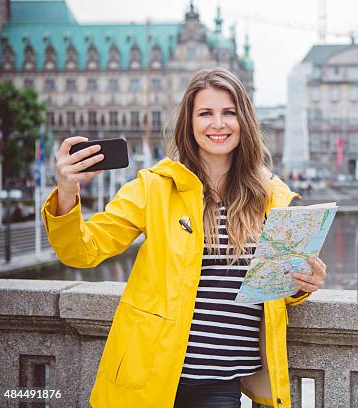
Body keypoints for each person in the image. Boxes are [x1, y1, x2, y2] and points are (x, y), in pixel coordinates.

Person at [41, 67, 327, 408]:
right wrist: (67, 193)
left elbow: (274, 287)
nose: (217, 124)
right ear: (189, 123)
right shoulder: (154, 187)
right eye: (205, 113)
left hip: (222, 383)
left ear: (244, 121)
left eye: (229, 113)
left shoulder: (273, 197)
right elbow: (81, 253)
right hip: (149, 375)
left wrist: (301, 285)